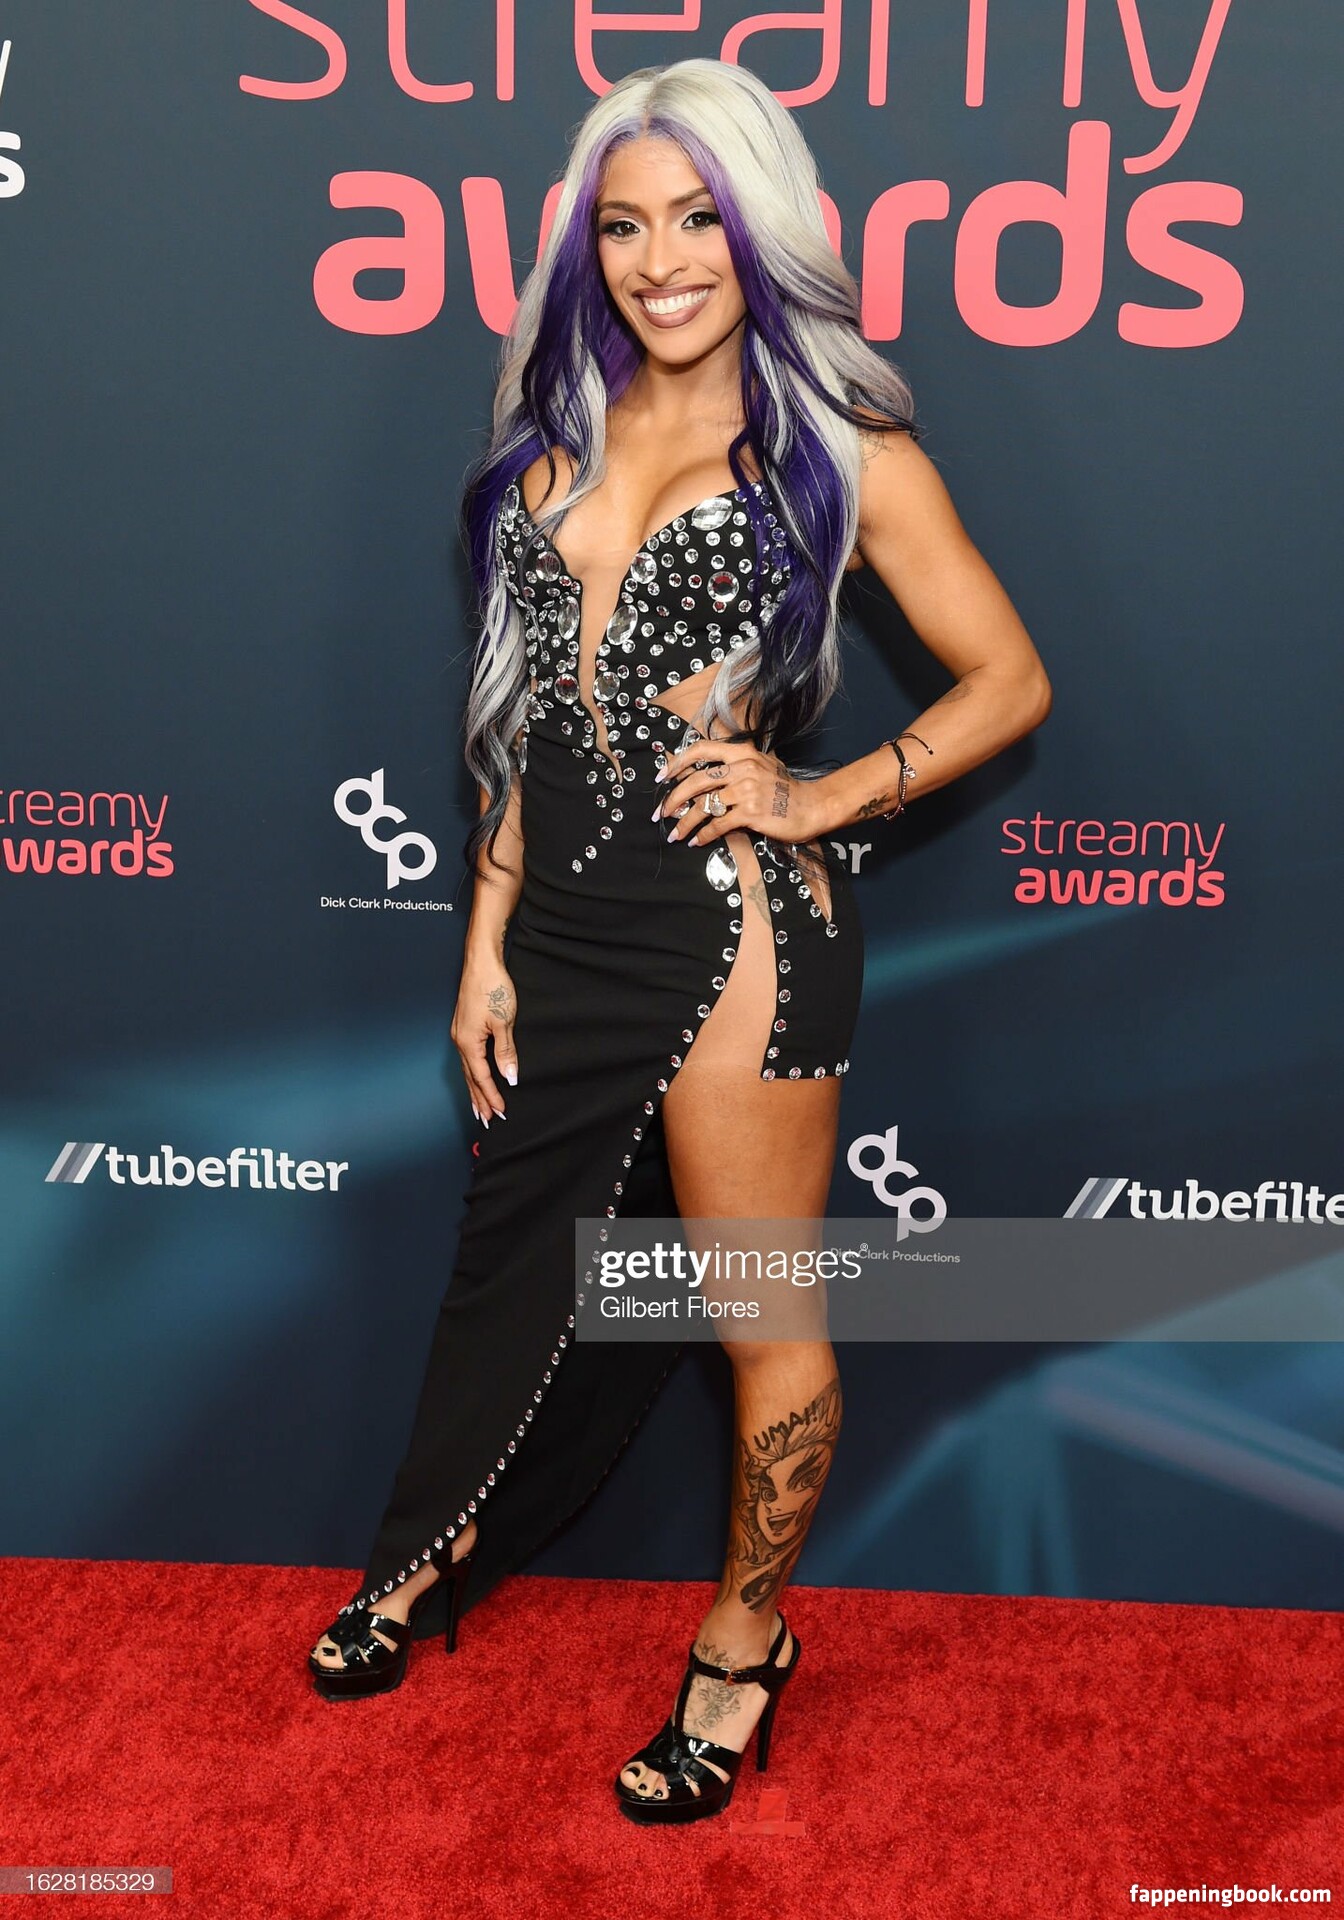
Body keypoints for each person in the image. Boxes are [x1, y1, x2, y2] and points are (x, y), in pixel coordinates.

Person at [306, 56, 1051, 1824]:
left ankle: (743, 1641)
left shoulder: (837, 455)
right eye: (627, 226)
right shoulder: (555, 440)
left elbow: (1011, 679)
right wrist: (485, 937)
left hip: (737, 936)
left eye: (700, 219)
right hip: (561, 924)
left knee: (756, 1316)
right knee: (512, 1265)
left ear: (763, 226)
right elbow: (525, 727)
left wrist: (828, 790)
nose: (662, 262)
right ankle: (436, 1540)